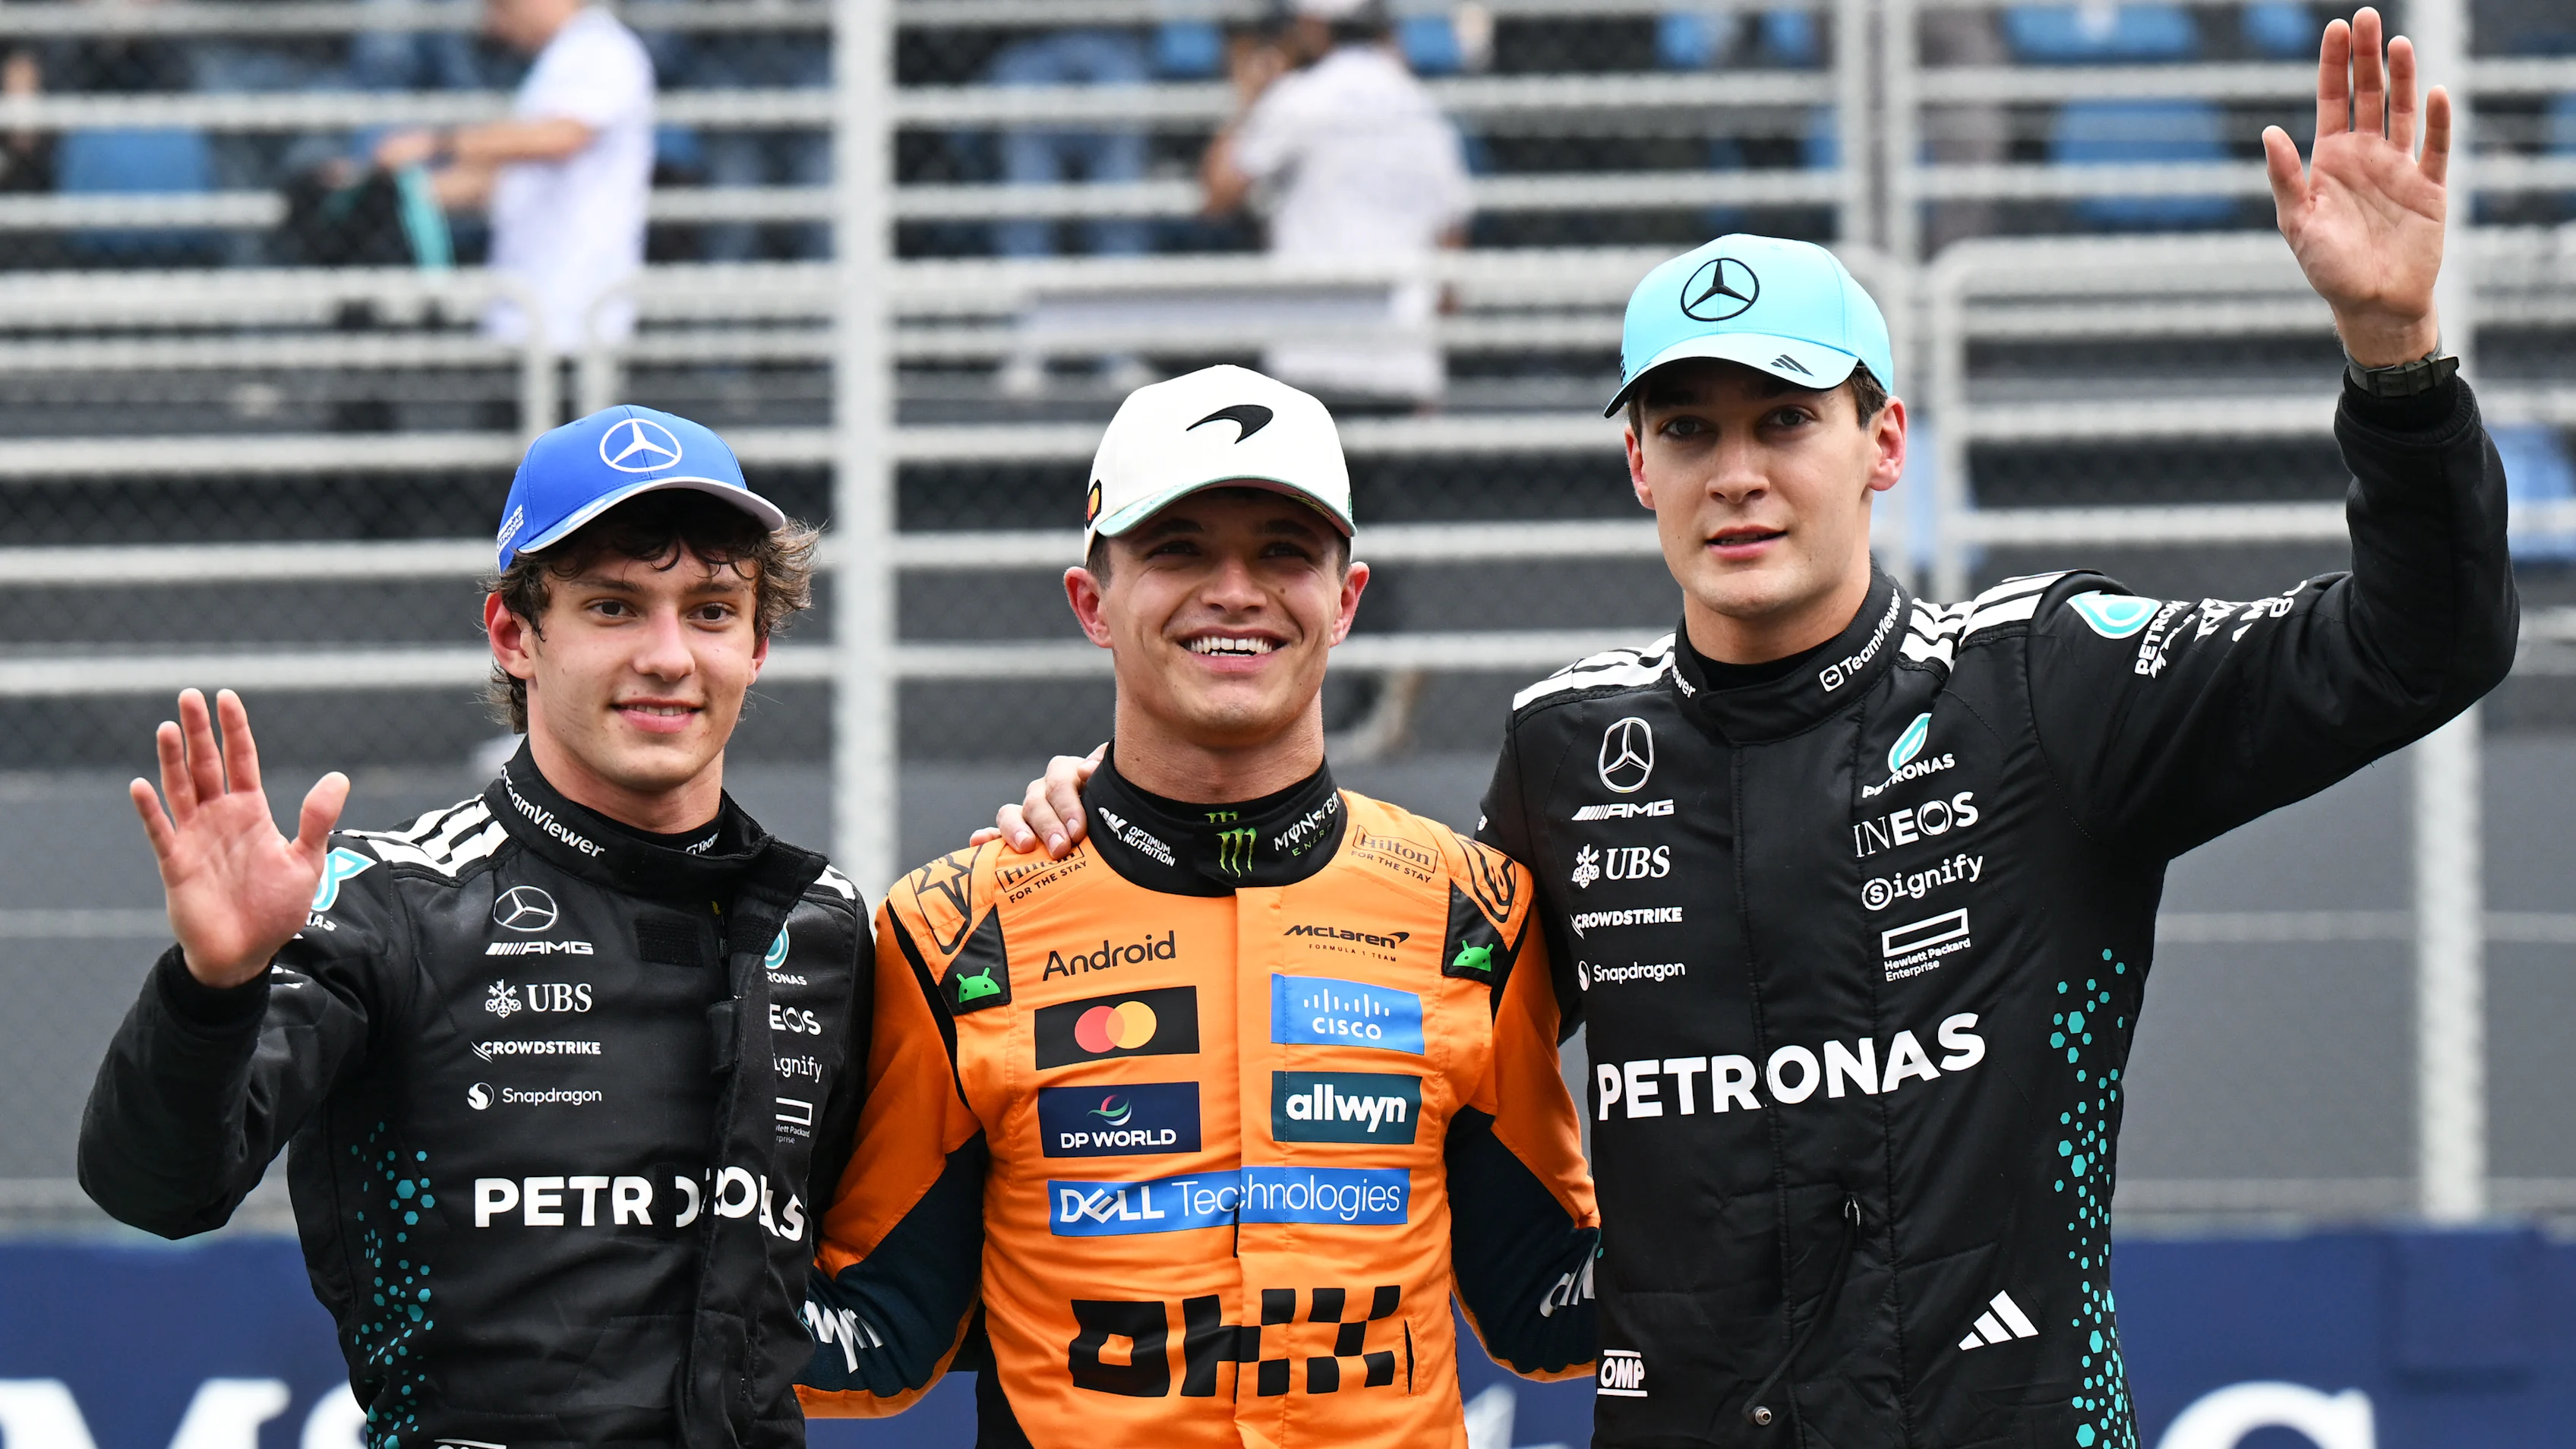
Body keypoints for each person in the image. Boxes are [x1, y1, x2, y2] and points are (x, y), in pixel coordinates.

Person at [986, 11, 2518, 1445]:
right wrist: (1132, 820)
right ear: (1637, 470)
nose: (1737, 474)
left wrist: (2394, 362)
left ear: (1881, 445)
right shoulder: (1569, 750)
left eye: (1784, 420)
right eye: (1689, 429)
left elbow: (2417, 644)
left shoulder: (2043, 684)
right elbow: (1375, 1002)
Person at [795, 365, 1599, 1446]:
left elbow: (1544, 1307)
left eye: (1283, 551)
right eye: (1178, 550)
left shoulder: (1477, 911)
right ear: (1094, 603)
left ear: (1346, 599)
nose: (1236, 590)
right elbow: (882, 1339)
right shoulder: (949, 927)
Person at [79, 406, 872, 1449]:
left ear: (759, 643)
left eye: (712, 611)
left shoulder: (825, 924)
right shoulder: (387, 901)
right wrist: (210, 985)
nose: (670, 656)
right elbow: (156, 1189)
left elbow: (913, 1267)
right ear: (515, 635)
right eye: (614, 608)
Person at [1202, 0, 1472, 409]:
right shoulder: (1423, 110)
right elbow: (1450, 251)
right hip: (1401, 363)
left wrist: (1249, 99)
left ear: (1312, 26)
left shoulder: (1302, 99)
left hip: (1312, 359)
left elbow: (1218, 193)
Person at [374, 0, 654, 354]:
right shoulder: (559, 60)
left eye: (502, 7)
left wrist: (438, 143)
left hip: (576, 313)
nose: (494, 24)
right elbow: (509, 178)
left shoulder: (599, 49)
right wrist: (390, 187)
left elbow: (561, 138)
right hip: (526, 309)